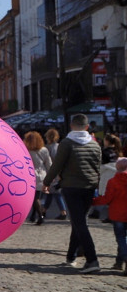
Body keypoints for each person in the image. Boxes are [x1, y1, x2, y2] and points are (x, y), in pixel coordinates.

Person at [42, 114, 102, 274]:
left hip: (72, 187)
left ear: (71, 126)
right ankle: (71, 256)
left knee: (79, 223)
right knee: (78, 221)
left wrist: (46, 182)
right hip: (89, 187)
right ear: (87, 127)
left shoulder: (67, 143)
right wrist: (97, 186)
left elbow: (57, 166)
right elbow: (98, 168)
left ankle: (92, 259)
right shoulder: (95, 145)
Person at [92, 157, 127, 275]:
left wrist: (92, 201)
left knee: (121, 238)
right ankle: (119, 262)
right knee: (124, 239)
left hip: (118, 214)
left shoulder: (113, 181)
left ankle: (124, 259)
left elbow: (107, 199)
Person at [23, 131, 51, 225]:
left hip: (30, 175)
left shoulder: (25, 150)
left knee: (34, 198)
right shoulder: (44, 150)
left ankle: (40, 216)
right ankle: (33, 216)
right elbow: (49, 164)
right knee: (37, 197)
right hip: (42, 175)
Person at [42, 128, 67, 220]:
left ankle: (62, 212)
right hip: (59, 172)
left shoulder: (46, 148)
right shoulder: (60, 146)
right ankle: (44, 211)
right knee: (53, 192)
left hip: (50, 172)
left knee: (53, 193)